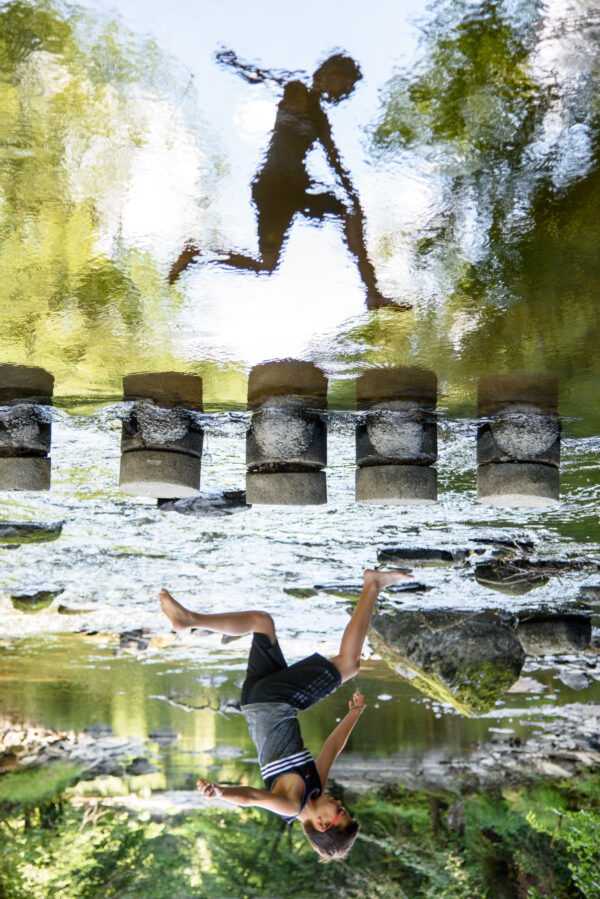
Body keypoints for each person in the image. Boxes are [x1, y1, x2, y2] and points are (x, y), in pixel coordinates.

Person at [159, 567, 410, 861]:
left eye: (340, 811)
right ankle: (190, 620)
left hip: (274, 702)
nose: (340, 803)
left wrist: (222, 793)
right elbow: (332, 747)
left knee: (349, 665)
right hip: (255, 701)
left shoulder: (291, 805)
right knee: (261, 622)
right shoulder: (314, 789)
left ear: (322, 823)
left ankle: (373, 584)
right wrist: (355, 711)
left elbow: (252, 797)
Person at [169, 50, 407, 310]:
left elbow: (334, 158)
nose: (345, 87)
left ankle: (373, 294)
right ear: (328, 74)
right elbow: (266, 77)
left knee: (272, 262)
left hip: (292, 187)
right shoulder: (298, 91)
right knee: (274, 261)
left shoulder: (320, 116)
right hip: (274, 185)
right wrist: (236, 64)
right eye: (345, 80)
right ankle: (198, 253)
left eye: (348, 84)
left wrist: (354, 196)